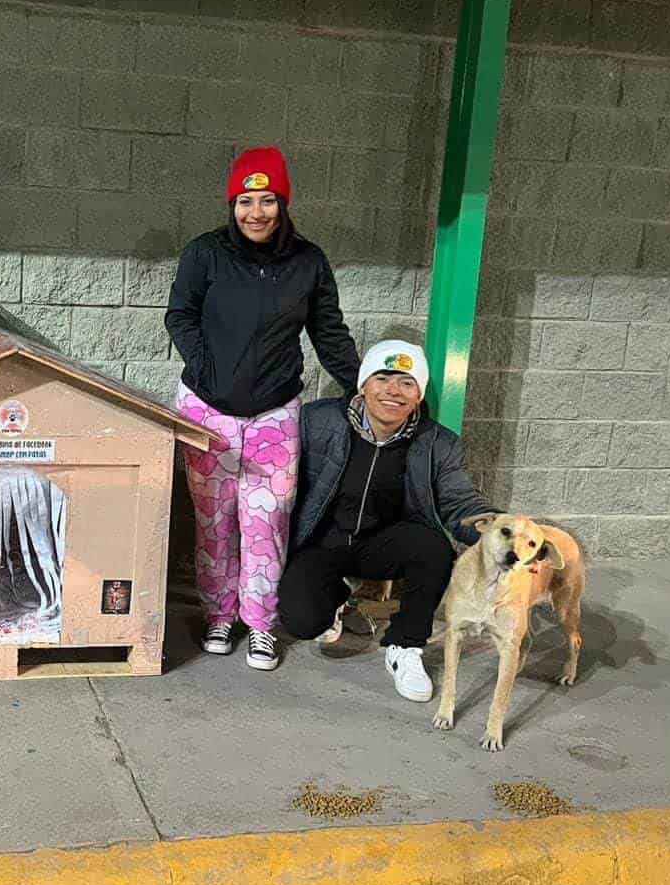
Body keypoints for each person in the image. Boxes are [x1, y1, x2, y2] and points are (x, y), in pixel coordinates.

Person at [165, 146, 359, 671]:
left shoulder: (308, 262)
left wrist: (358, 386)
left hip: (275, 413)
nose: (256, 212)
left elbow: (328, 332)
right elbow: (179, 316)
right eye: (246, 201)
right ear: (232, 205)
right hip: (207, 411)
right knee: (214, 521)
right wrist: (206, 370)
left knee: (267, 519)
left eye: (267, 200)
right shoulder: (205, 254)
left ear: (283, 204)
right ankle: (219, 615)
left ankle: (260, 623)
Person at [278, 340, 496, 702]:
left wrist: (504, 530)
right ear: (363, 385)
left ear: (419, 395)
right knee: (302, 622)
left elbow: (461, 503)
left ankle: (405, 646)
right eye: (383, 378)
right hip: (322, 542)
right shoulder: (317, 421)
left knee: (434, 549)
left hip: (384, 544)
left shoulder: (439, 443)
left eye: (407, 383)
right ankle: (337, 599)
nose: (393, 390)